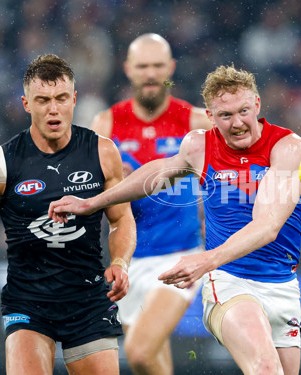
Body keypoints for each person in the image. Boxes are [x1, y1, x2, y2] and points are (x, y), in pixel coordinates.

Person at [49, 65, 301, 375]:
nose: (237, 123)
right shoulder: (200, 146)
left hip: (282, 286)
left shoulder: (287, 146)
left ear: (258, 105)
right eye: (225, 115)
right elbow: (155, 174)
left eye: (244, 111)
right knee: (266, 369)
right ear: (210, 116)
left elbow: (267, 225)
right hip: (229, 282)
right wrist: (92, 202)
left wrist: (204, 260)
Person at [0, 54, 136, 375]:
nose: (54, 109)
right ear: (26, 103)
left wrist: (120, 262)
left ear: (74, 99)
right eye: (43, 100)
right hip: (28, 302)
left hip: (88, 299)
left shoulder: (102, 152)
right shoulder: (1, 162)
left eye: (62, 98)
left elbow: (121, 219)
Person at [89, 33, 212, 375]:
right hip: (127, 260)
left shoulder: (196, 121)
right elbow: (89, 188)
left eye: (158, 65)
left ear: (171, 68)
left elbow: (236, 169)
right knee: (151, 364)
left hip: (179, 256)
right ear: (128, 69)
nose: (151, 73)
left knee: (140, 351)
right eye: (142, 66)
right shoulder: (106, 124)